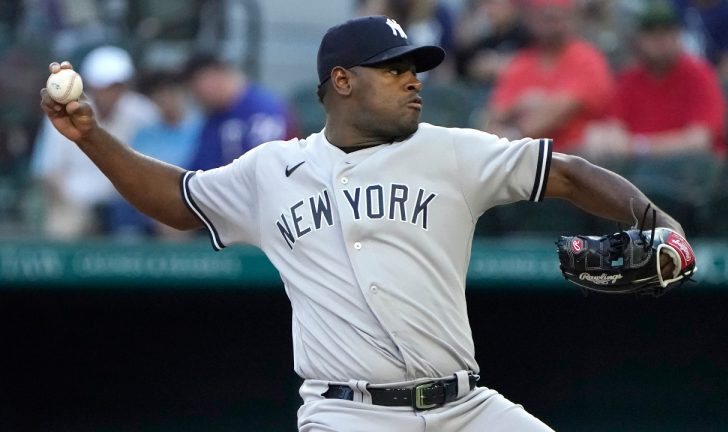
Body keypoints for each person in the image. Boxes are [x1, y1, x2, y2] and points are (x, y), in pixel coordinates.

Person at [40, 15, 684, 431]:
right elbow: (179, 200)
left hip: (466, 408)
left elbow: (567, 173)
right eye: (394, 69)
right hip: (347, 414)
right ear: (341, 81)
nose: (413, 82)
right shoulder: (273, 169)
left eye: (415, 69)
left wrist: (666, 227)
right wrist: (92, 138)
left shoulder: (452, 149)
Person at [31, 45, 158, 238]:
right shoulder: (64, 113)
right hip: (76, 203)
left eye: (117, 85)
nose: (111, 92)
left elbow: (154, 167)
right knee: (63, 226)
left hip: (129, 205)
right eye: (105, 85)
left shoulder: (143, 111)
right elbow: (49, 172)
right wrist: (71, 205)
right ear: (91, 85)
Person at [582, 0, 728, 162]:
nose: (660, 40)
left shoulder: (699, 74)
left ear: (678, 34)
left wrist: (638, 146)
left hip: (689, 173)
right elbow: (611, 128)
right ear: (638, 39)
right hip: (639, 169)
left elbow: (699, 141)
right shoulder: (630, 78)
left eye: (667, 32)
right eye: (651, 33)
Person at [486, 0, 614, 153]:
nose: (550, 19)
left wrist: (514, 133)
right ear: (532, 17)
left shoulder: (588, 59)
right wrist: (519, 104)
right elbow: (492, 118)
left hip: (576, 163)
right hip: (527, 162)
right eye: (544, 13)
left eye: (557, 13)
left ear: (571, 17)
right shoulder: (521, 63)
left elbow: (553, 115)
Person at [107, 70, 202, 239]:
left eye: (171, 93)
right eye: (159, 95)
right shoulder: (144, 134)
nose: (166, 100)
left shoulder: (201, 129)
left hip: (187, 200)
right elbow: (134, 173)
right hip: (148, 201)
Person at [183, 53, 295, 171]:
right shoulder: (215, 115)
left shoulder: (262, 110)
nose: (194, 95)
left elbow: (268, 171)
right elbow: (198, 170)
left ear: (215, 76)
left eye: (195, 85)